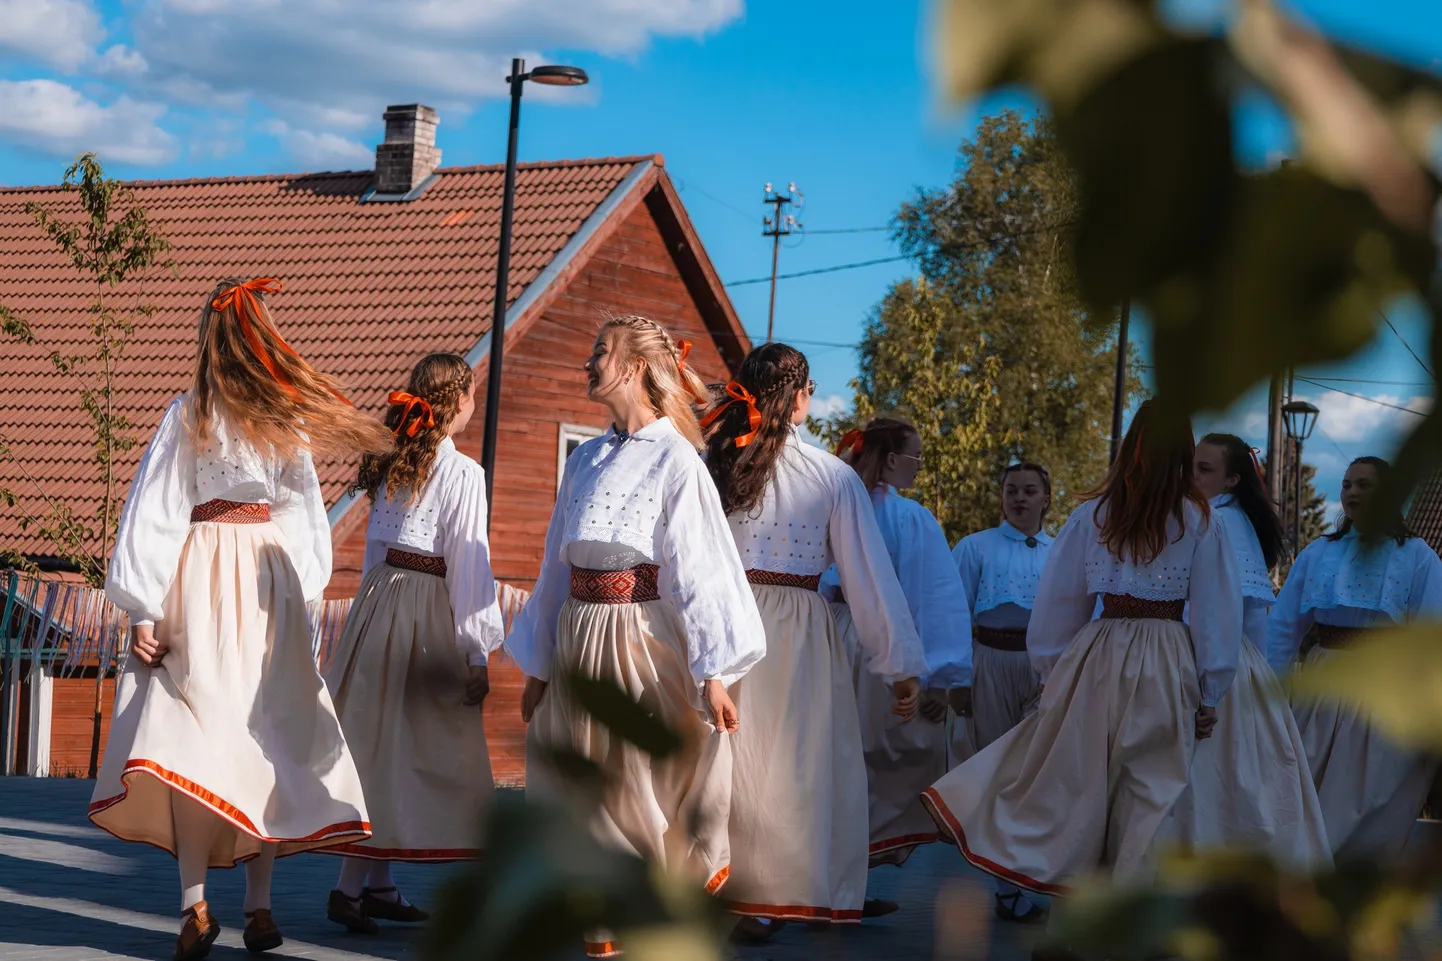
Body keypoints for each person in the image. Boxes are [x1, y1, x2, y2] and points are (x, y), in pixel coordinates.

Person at [90, 278, 390, 960]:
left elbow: (157, 509)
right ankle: (258, 906)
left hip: (201, 576)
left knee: (198, 736)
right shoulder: (281, 415)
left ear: (211, 336)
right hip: (263, 580)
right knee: (266, 734)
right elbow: (302, 513)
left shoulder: (189, 412)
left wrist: (143, 603)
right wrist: (298, 587)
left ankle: (195, 904)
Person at [506, 315, 766, 960]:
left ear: (633, 368)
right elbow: (553, 564)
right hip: (575, 637)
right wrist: (537, 664)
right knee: (575, 786)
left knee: (631, 786)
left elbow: (700, 566)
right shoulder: (587, 456)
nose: (588, 364)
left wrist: (715, 671)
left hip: (634, 637)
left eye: (599, 353)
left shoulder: (677, 458)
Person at [922, 401, 1242, 895]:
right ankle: (1123, 922)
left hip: (1098, 651)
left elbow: (1059, 604)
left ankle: (1074, 918)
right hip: (1166, 656)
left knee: (1084, 783)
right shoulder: (1201, 520)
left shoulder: (1094, 513)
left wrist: (1052, 673)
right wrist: (1210, 690)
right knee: (1151, 789)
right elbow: (1215, 613)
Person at [701, 352, 927, 939]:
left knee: (723, 762)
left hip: (721, 622)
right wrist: (899, 665)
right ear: (801, 396)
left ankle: (722, 886)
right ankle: (770, 894)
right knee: (788, 765)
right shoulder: (830, 475)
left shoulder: (712, 464)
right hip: (797, 627)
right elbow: (868, 575)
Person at [321, 353, 506, 931]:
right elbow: (468, 564)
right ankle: (350, 888)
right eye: (472, 394)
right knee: (410, 748)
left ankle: (378, 884)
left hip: (378, 604)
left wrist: (365, 618)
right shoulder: (463, 474)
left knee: (380, 743)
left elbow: (376, 549)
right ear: (459, 402)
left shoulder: (392, 461)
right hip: (425, 611)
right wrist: (478, 649)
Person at [1148, 433, 1330, 867]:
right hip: (1216, 659)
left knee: (1207, 786)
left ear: (1232, 480)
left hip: (1214, 664)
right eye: (1191, 467)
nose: (1191, 477)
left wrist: (1210, 682)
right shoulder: (1207, 517)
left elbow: (1239, 613)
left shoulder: (1221, 523)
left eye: (1204, 470)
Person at [1267, 455, 1442, 860]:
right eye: (1347, 485)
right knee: (1305, 786)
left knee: (1366, 797)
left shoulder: (1418, 556)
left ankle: (1346, 891)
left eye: (1365, 484)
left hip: (1383, 689)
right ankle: (1301, 888)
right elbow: (1282, 627)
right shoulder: (1318, 554)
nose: (1353, 492)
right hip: (1324, 686)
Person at [829, 418, 968, 878]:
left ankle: (833, 863)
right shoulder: (910, 518)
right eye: (916, 458)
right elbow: (933, 600)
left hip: (826, 634)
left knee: (829, 751)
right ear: (892, 460)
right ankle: (855, 859)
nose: (919, 467)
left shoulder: (829, 500)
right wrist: (940, 678)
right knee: (880, 753)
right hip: (881, 642)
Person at [950, 462, 1053, 923]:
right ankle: (1005, 884)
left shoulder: (1061, 550)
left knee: (1036, 770)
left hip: (1043, 666)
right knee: (996, 767)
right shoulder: (975, 548)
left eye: (1030, 491)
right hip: (989, 659)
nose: (1020, 498)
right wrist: (956, 678)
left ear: (1046, 499)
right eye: (1012, 490)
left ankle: (1029, 870)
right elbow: (952, 613)